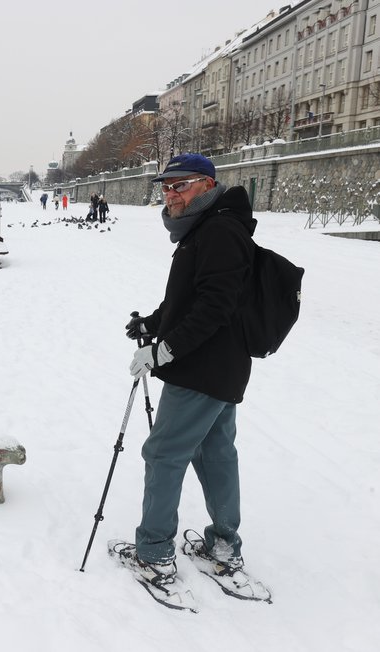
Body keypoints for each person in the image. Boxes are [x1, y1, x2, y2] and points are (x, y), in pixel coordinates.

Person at [111, 153, 258, 589]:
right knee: (215, 454)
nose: (170, 194)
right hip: (220, 369)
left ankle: (154, 552)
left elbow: (215, 307)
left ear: (207, 185)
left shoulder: (218, 231)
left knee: (164, 454)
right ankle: (223, 545)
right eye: (166, 186)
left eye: (181, 185)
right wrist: (153, 325)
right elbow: (190, 300)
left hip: (200, 370)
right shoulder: (209, 228)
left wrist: (164, 351)